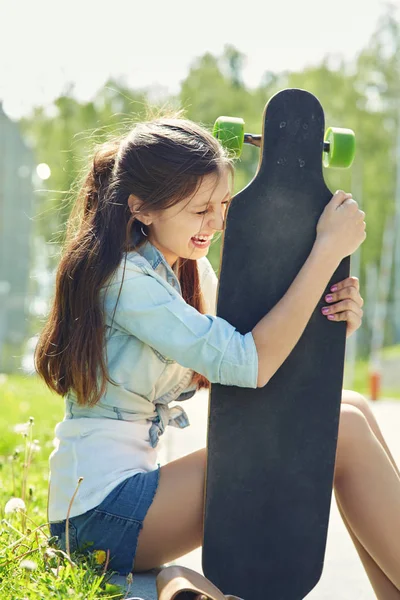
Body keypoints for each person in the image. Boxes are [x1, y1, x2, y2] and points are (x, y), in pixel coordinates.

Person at [35, 116, 400, 598]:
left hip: (121, 504)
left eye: (223, 205)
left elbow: (266, 341)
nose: (217, 222)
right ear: (142, 207)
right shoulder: (126, 283)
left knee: (351, 408)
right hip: (100, 516)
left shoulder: (181, 268)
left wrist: (332, 314)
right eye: (200, 209)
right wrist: (328, 250)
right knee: (343, 432)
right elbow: (250, 361)